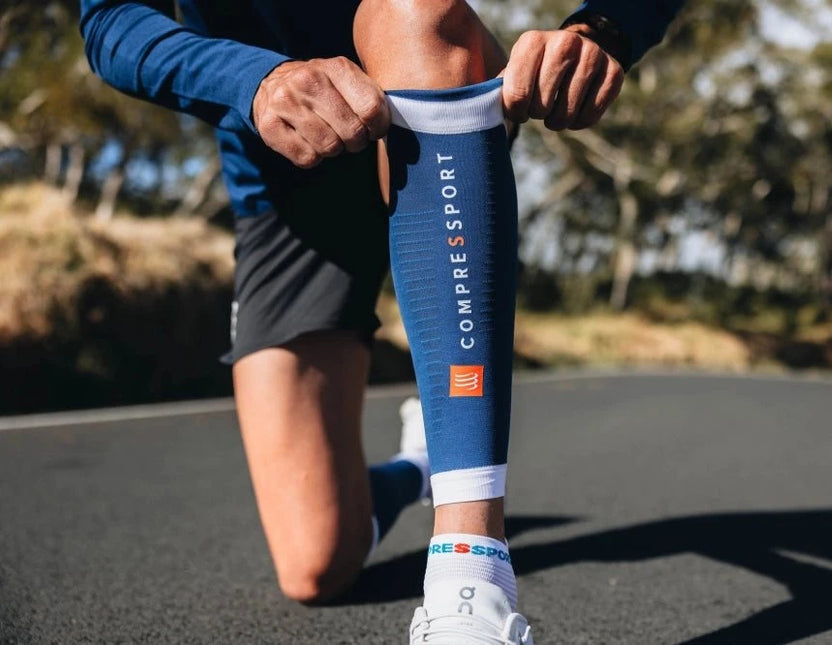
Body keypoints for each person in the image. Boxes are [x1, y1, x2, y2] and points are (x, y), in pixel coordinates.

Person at [79, 1, 682, 641]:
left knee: (413, 11)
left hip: (428, 102)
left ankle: (470, 578)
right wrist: (256, 81)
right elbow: (110, 21)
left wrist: (605, 27)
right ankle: (422, 464)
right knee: (316, 564)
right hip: (286, 171)